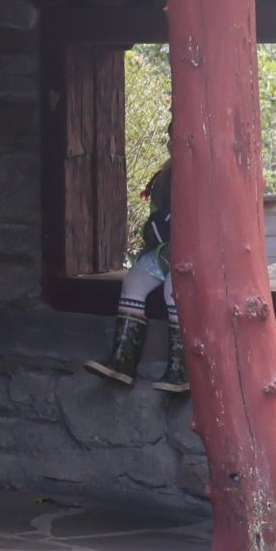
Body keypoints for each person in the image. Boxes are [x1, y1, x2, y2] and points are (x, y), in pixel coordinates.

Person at [87, 160, 189, 394]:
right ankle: (123, 360)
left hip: (196, 254)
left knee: (174, 291)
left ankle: (179, 370)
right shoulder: (166, 175)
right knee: (133, 282)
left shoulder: (207, 168)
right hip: (165, 249)